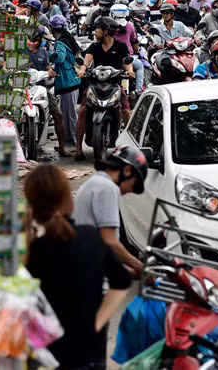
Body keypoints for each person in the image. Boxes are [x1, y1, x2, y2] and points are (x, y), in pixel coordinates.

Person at [24, 164, 131, 370]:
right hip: (93, 352)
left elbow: (23, 299)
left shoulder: (38, 250)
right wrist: (97, 324)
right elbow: (122, 282)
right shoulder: (91, 236)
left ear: (34, 207)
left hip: (57, 355)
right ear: (67, 198)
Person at [72, 146, 148, 277]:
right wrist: (139, 266)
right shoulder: (108, 188)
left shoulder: (95, 183)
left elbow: (103, 250)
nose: (131, 190)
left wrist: (132, 273)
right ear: (127, 170)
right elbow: (110, 241)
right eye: (134, 184)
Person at [75, 17, 134, 161]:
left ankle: (132, 147)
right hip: (95, 83)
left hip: (115, 84)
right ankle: (78, 149)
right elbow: (86, 62)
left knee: (126, 111)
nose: (95, 32)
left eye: (97, 29)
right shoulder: (94, 46)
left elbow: (127, 62)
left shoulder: (120, 46)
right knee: (82, 111)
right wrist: (82, 70)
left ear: (106, 31)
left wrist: (130, 71)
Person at [48, 16, 81, 157]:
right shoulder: (66, 38)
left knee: (69, 114)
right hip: (72, 80)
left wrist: (49, 55)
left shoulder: (60, 42)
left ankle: (71, 142)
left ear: (52, 28)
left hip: (68, 81)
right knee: (68, 113)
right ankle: (69, 141)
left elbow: (60, 58)